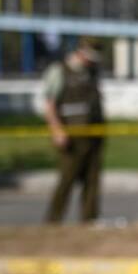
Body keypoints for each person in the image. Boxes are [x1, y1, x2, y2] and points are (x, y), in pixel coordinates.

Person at [43, 37, 105, 223]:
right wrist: (57, 130)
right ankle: (53, 221)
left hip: (94, 133)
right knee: (66, 179)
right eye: (90, 57)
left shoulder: (92, 71)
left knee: (92, 180)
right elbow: (49, 105)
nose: (92, 61)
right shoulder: (59, 71)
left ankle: (89, 220)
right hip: (71, 135)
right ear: (81, 52)